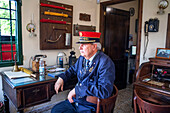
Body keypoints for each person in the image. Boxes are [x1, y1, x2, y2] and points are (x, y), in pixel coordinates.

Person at [51, 31, 115, 113]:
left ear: (94, 47)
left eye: (83, 45)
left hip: (91, 105)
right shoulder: (82, 58)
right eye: (80, 45)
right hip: (78, 100)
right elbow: (72, 70)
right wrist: (61, 78)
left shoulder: (105, 62)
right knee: (56, 110)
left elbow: (104, 91)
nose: (79, 48)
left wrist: (77, 90)